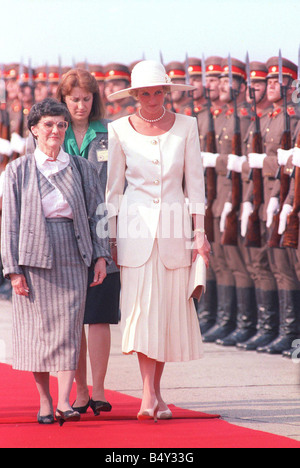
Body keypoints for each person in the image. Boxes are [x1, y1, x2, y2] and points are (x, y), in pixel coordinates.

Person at [106, 60, 210, 421]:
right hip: (133, 233)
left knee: (165, 313)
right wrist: (110, 236)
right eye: (145, 93)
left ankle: (155, 392)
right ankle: (148, 393)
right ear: (134, 95)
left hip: (174, 230)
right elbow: (113, 190)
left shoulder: (187, 126)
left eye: (158, 91)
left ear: (166, 91)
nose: (152, 99)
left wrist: (200, 233)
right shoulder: (118, 129)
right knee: (141, 313)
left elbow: (195, 184)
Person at [1, 98, 111, 426]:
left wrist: (102, 256)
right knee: (38, 333)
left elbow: (98, 214)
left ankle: (65, 400)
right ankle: (45, 400)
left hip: (73, 254)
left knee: (68, 330)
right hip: (33, 257)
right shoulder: (18, 170)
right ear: (34, 129)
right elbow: (9, 223)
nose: (56, 130)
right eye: (48, 124)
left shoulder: (80, 168)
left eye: (61, 125)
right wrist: (12, 271)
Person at [56, 68, 120, 417]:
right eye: (73, 99)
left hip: (104, 229)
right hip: (66, 235)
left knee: (99, 314)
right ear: (63, 101)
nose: (80, 106)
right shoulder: (55, 133)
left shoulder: (111, 133)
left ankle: (99, 389)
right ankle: (79, 392)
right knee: (74, 317)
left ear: (94, 100)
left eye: (85, 99)